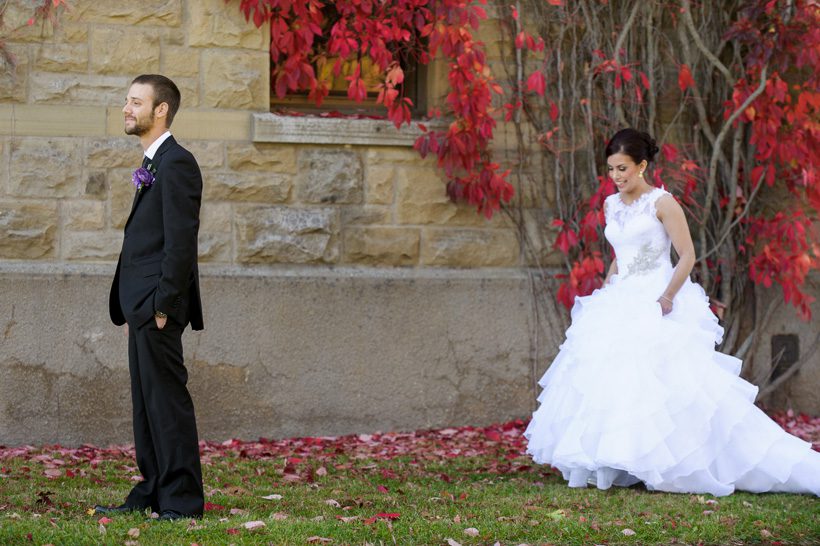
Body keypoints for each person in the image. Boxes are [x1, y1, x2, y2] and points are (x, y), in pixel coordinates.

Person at [524, 128, 820, 496]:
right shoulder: (611, 204)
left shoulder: (662, 203)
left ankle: (685, 459)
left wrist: (666, 298)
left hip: (659, 295)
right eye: (612, 169)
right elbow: (620, 255)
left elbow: (688, 256)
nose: (616, 177)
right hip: (622, 296)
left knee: (669, 382)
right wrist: (606, 287)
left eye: (623, 169)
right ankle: (622, 461)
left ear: (642, 166)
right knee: (617, 381)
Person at [95, 74, 205, 519]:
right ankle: (153, 491)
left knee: (167, 403)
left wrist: (164, 306)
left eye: (136, 101)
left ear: (161, 110)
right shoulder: (154, 162)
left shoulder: (177, 163)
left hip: (156, 306)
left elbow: (181, 242)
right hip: (138, 304)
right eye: (127, 101)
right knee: (146, 406)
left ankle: (181, 499)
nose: (127, 108)